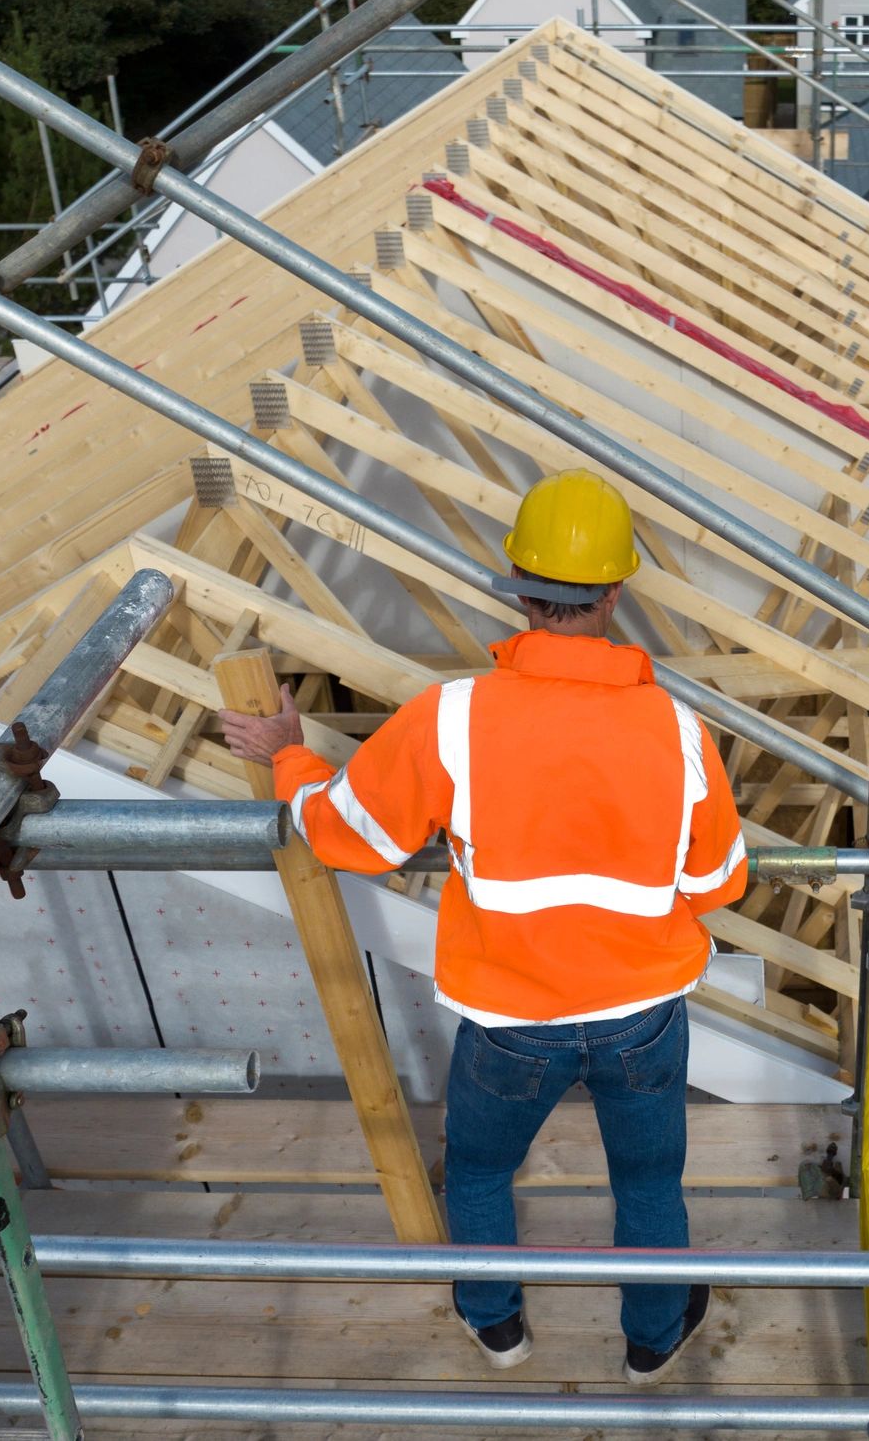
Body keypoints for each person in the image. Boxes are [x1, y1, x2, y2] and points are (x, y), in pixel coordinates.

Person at [221, 469, 749, 1386]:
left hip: (510, 1022)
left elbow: (348, 835)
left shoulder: (452, 718)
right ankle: (651, 1342)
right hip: (643, 1016)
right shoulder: (678, 729)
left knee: (475, 1174)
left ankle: (495, 1327)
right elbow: (716, 886)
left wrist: (289, 756)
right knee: (649, 1184)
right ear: (616, 593)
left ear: (518, 582)